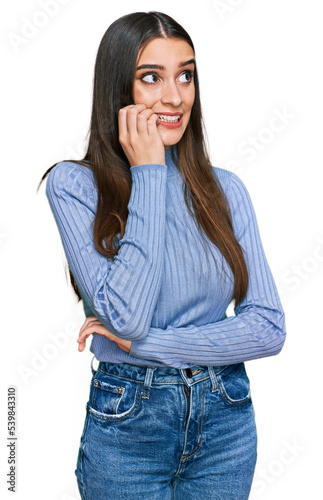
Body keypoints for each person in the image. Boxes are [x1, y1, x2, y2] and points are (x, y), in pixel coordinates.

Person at [39, 11, 286, 500]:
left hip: (225, 419)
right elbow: (126, 318)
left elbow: (268, 327)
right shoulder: (74, 186)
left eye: (186, 75)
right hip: (130, 421)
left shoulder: (226, 190)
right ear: (116, 90)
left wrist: (147, 346)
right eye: (150, 77)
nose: (175, 97)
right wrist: (149, 172)